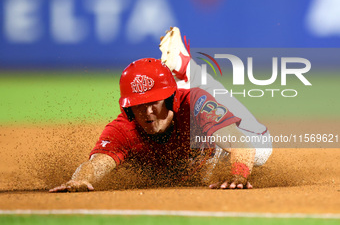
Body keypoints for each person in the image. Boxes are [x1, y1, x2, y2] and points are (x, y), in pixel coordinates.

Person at [49, 28, 272, 193]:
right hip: (196, 162)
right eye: (138, 105)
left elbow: (241, 144)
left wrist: (239, 176)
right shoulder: (123, 129)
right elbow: (95, 164)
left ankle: (188, 69)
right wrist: (77, 180)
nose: (147, 112)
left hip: (216, 151)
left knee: (263, 146)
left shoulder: (194, 103)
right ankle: (181, 74)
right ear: (128, 107)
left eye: (154, 102)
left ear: (168, 99)